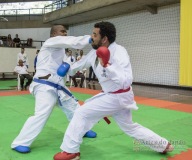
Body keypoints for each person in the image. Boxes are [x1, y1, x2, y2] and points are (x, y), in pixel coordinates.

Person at [53, 21, 174, 160]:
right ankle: (162, 145)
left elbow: (125, 81)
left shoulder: (120, 52)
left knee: (81, 112)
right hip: (112, 96)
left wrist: (108, 66)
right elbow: (79, 65)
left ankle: (71, 151)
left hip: (119, 96)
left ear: (104, 39)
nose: (91, 37)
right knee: (129, 127)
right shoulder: (94, 53)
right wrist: (67, 68)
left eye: (94, 34)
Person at [11, 24, 97, 154]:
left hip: (58, 86)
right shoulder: (50, 42)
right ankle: (20, 142)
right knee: (42, 114)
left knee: (74, 109)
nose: (64, 34)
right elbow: (70, 41)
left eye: (65, 32)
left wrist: (87, 59)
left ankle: (83, 130)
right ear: (53, 34)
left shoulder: (61, 51)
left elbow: (68, 68)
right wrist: (90, 39)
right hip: (44, 85)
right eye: (62, 31)